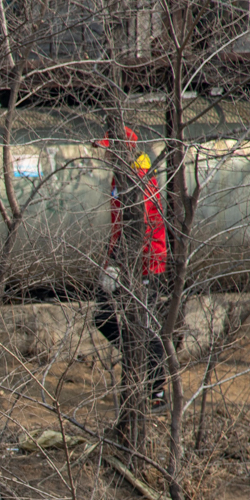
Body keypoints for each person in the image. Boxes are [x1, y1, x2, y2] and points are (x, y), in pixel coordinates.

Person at [94, 126, 170, 406]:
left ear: (124, 150)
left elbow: (142, 228)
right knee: (103, 316)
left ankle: (157, 392)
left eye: (109, 149)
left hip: (146, 265)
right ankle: (135, 360)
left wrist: (120, 262)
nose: (104, 155)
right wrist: (111, 260)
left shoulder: (139, 179)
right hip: (125, 261)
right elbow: (119, 226)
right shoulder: (121, 177)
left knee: (147, 328)